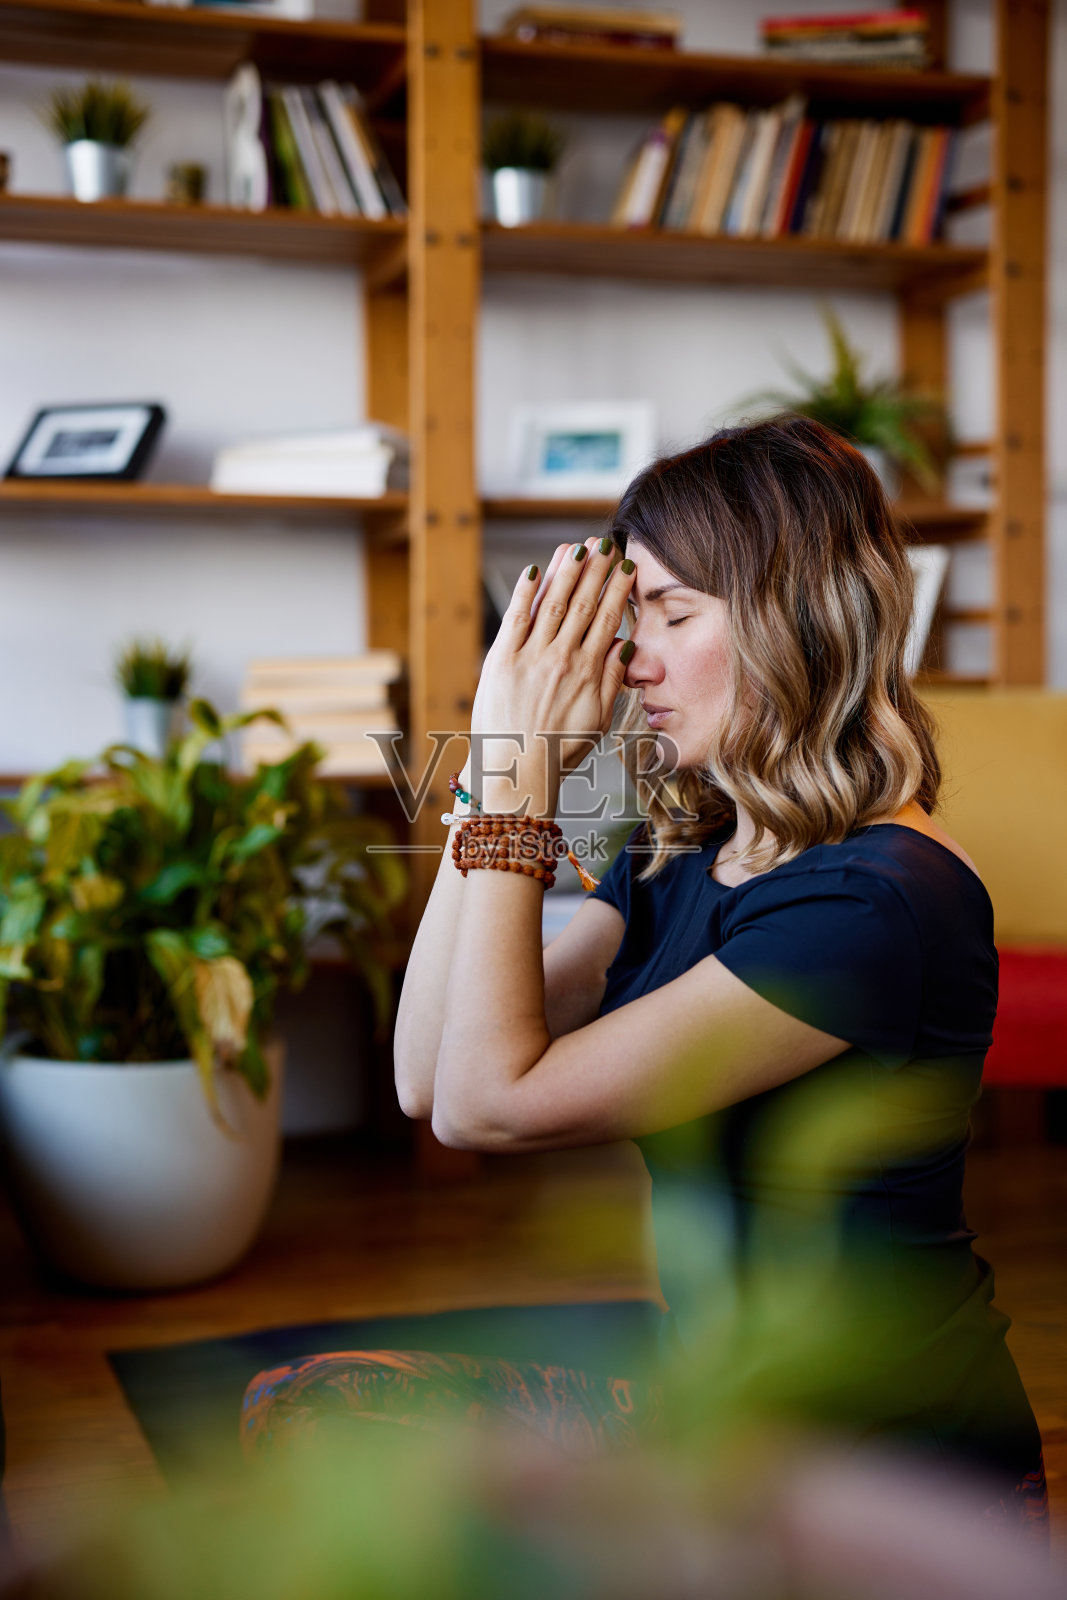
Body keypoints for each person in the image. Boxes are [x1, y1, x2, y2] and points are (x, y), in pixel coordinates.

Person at [242, 417, 1045, 1538]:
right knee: (313, 1410)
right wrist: (494, 765)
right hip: (718, 1425)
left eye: (674, 614)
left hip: (883, 1486)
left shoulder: (878, 902)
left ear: (794, 617)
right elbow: (427, 1076)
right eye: (634, 619)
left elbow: (488, 1104)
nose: (634, 661)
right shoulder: (686, 846)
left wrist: (525, 790)